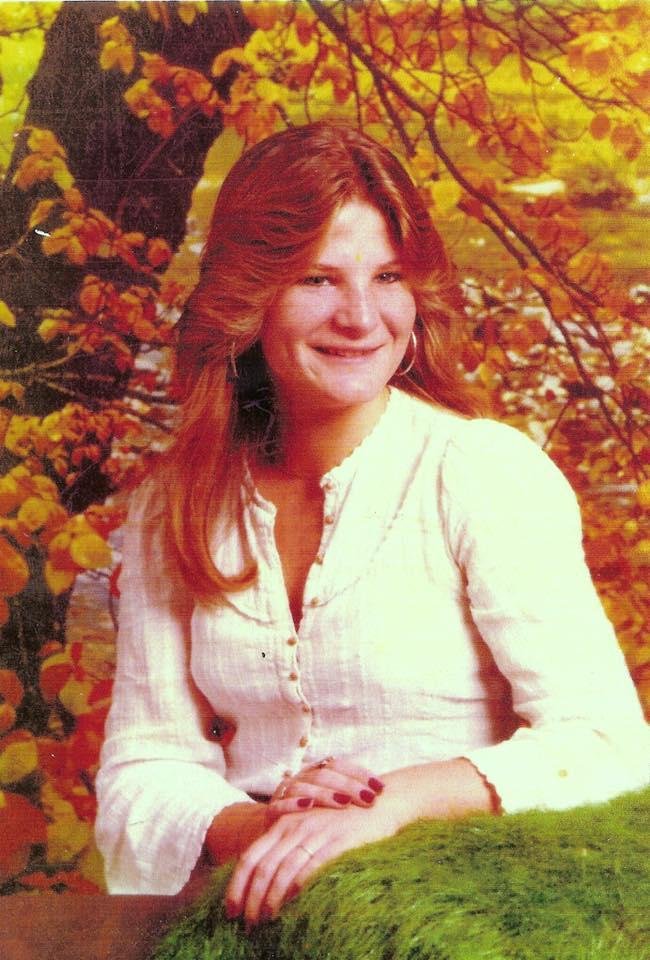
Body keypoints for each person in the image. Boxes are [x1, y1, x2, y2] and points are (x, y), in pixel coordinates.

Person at [95, 121, 649, 926]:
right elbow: (141, 770)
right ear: (248, 295)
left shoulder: (481, 473)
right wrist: (267, 832)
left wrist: (387, 807)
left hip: (465, 914)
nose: (361, 316)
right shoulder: (175, 505)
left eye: (388, 276)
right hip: (254, 910)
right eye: (318, 279)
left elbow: (607, 744)